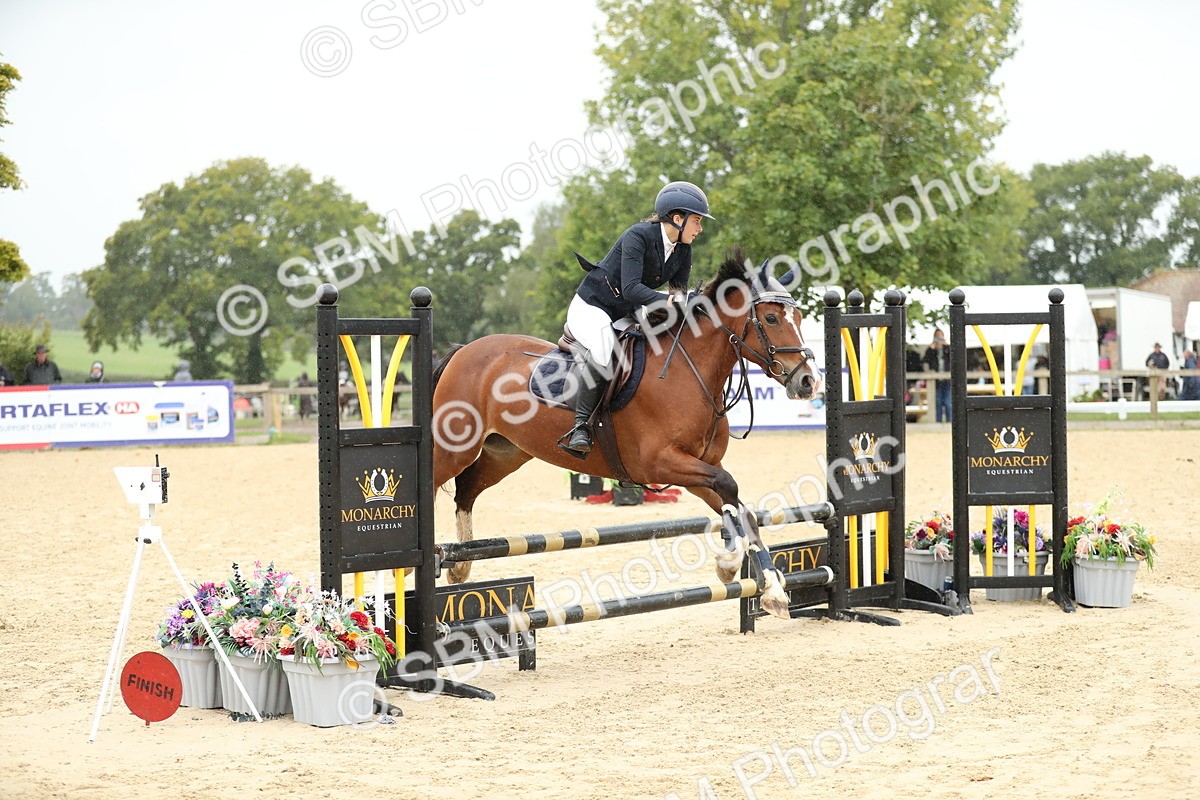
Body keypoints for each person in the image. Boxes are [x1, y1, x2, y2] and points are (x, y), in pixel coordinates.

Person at [560, 180, 712, 456]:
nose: (700, 229)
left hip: (627, 311)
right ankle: (580, 427)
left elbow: (677, 294)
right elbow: (631, 289)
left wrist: (692, 306)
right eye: (697, 221)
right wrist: (674, 300)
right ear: (678, 219)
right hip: (593, 306)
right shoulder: (638, 236)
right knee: (606, 348)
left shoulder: (683, 250)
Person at [922, 328, 952, 423]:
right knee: (938, 402)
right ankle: (937, 422)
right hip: (936, 381)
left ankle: (949, 422)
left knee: (948, 402)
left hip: (947, 380)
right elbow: (924, 360)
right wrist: (931, 348)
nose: (939, 339)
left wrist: (946, 346)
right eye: (937, 337)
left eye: (940, 336)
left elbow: (955, 358)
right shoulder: (932, 350)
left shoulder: (948, 349)